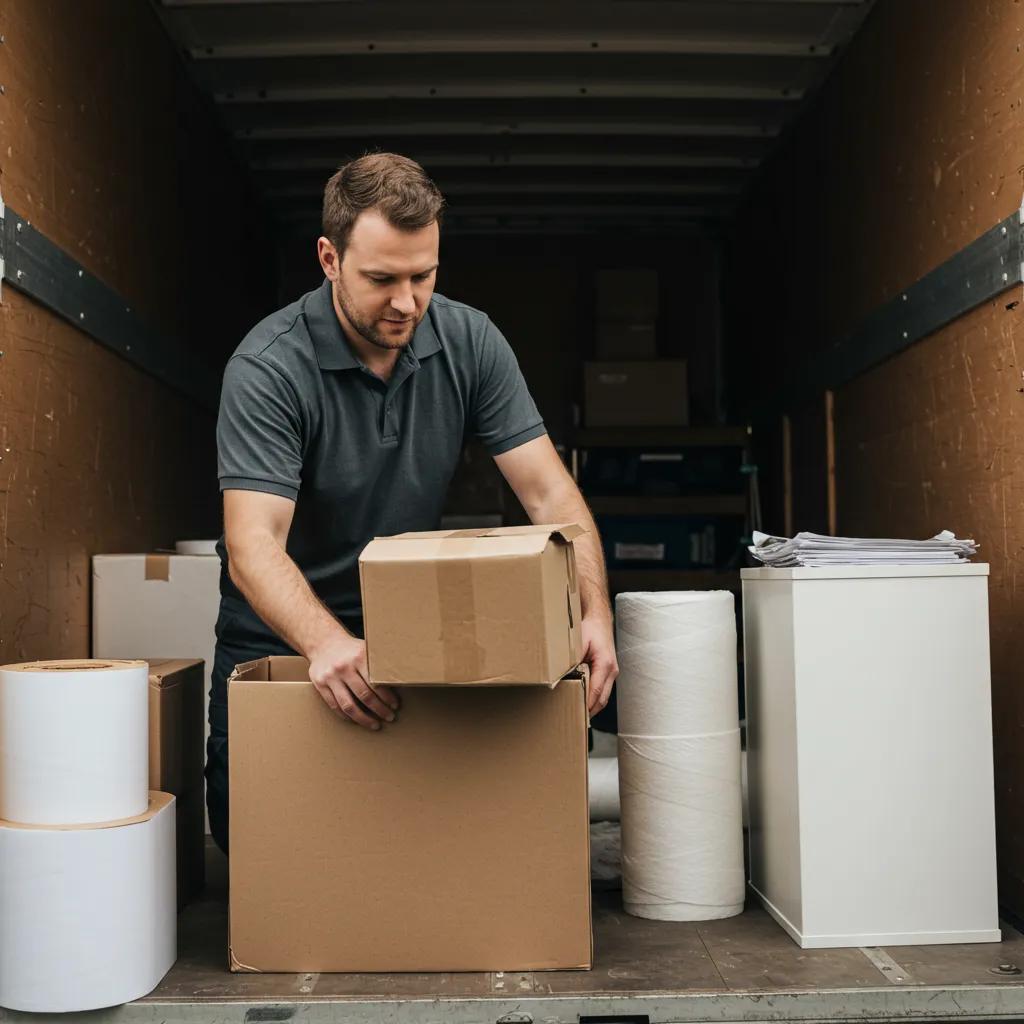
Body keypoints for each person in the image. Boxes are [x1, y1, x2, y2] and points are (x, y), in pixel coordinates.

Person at [206, 152, 618, 854]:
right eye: (381, 279)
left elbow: (549, 493)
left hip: (410, 626)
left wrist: (595, 611)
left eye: (423, 276)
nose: (405, 303)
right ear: (329, 258)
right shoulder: (268, 367)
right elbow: (253, 544)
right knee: (255, 847)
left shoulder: (469, 340)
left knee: (436, 844)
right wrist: (325, 644)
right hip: (283, 639)